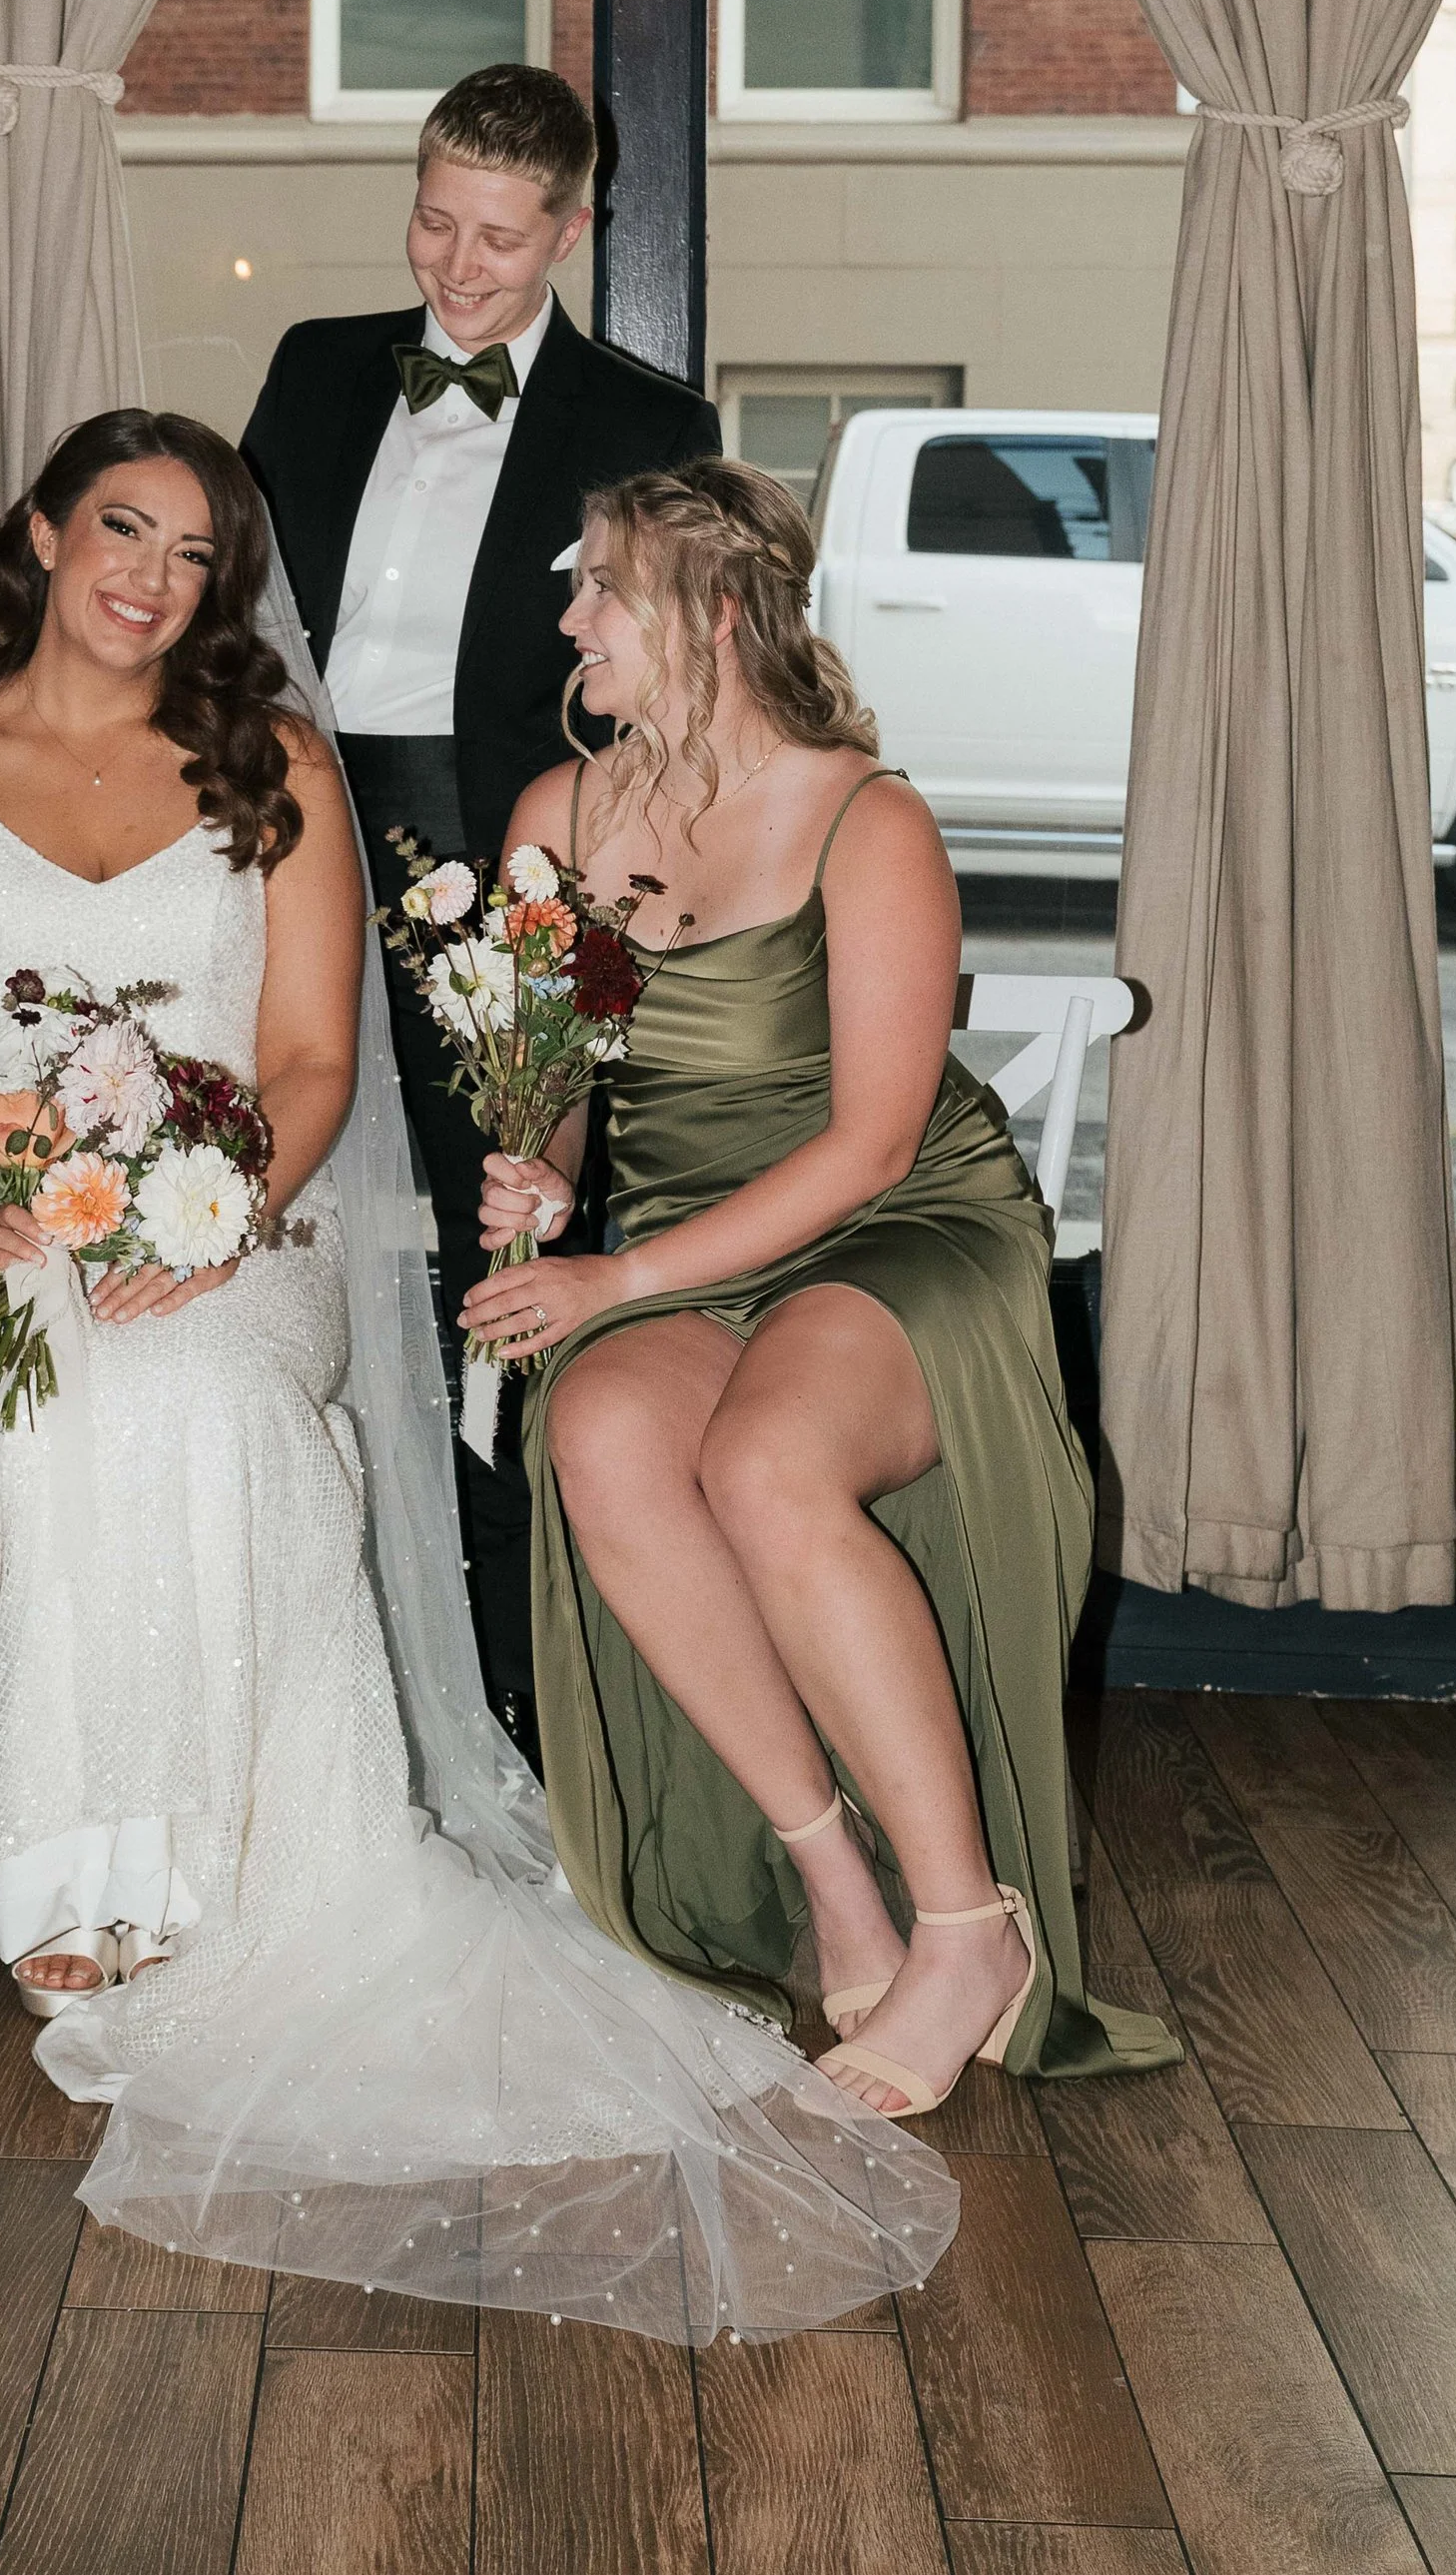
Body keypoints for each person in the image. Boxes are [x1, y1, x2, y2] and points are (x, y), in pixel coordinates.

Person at [0, 408, 962, 2339]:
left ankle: (191, 1870)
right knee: (42, 1375)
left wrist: (200, 1221)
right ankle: (72, 1877)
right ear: (44, 531)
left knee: (190, 1393)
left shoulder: (265, 761)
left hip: (234, 1230)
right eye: (124, 531)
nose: (154, 580)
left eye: (198, 558)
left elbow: (311, 1070)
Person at [465, 460, 1179, 2117]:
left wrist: (616, 1269)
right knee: (604, 1438)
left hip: (899, 1228)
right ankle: (838, 1886)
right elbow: (555, 1070)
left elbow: (868, 1143)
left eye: (600, 588)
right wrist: (547, 1162)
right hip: (690, 1231)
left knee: (768, 1464)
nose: (567, 617)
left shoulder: (871, 817)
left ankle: (967, 1927)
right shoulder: (552, 821)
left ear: (714, 617)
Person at [239, 64, 718, 1750]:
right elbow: (229, 625)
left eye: (501, 240)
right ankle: (293, 1655)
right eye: (437, 219)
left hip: (501, 870)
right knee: (252, 1214)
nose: (456, 264)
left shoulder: (652, 427)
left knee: (501, 1253)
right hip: (279, 848)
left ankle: (512, 1672)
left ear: (570, 230)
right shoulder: (311, 365)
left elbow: (664, 707)